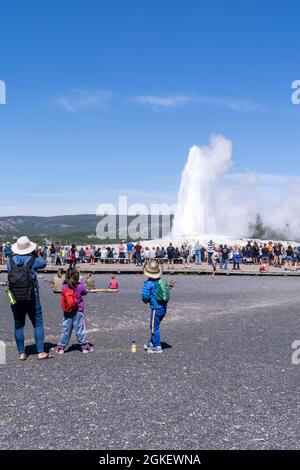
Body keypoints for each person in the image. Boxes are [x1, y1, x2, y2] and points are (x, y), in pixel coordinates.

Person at [7, 236, 49, 360]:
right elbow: (43, 263)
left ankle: (21, 353)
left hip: (14, 297)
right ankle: (40, 352)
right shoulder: (34, 259)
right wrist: (35, 252)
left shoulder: (10, 261)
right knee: (37, 323)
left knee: (18, 325)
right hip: (32, 296)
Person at [57, 268, 93, 354]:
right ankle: (84, 347)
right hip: (78, 310)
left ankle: (61, 347)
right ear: (77, 277)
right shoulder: (80, 286)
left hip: (67, 310)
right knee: (79, 329)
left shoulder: (64, 286)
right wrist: (80, 282)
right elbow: (85, 292)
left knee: (66, 329)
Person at [142, 260, 172, 353]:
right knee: (155, 326)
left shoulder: (148, 284)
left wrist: (146, 301)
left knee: (154, 327)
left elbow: (145, 297)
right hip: (164, 307)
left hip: (156, 308)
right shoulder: (162, 280)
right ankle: (152, 342)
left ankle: (157, 346)